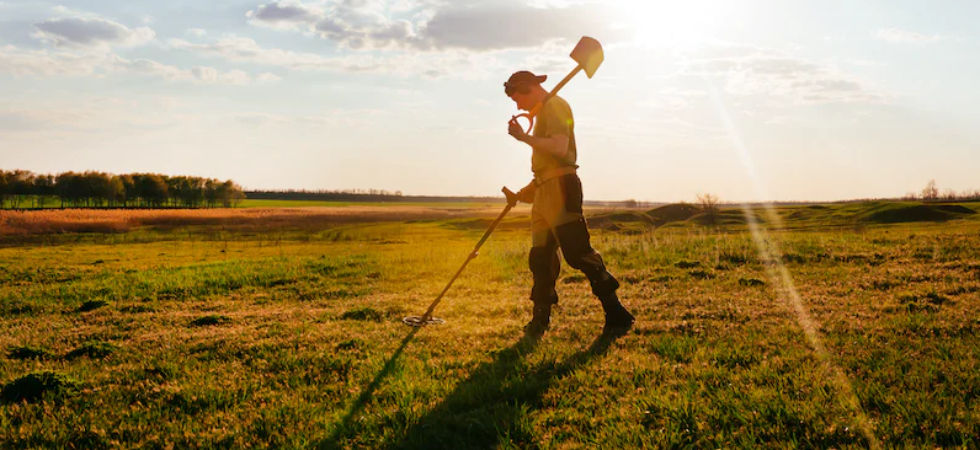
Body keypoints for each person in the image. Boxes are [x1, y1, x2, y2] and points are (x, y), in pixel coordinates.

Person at [503, 70, 634, 336]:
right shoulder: (542, 112)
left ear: (528, 88)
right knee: (540, 258)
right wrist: (530, 189)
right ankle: (540, 320)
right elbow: (548, 162)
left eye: (518, 99)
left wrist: (523, 137)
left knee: (577, 253)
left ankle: (616, 311)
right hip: (544, 189)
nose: (517, 106)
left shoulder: (556, 106)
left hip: (562, 189)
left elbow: (560, 149)